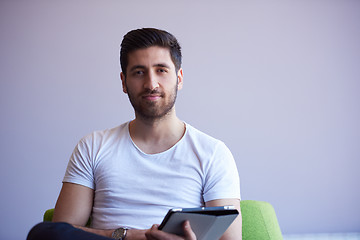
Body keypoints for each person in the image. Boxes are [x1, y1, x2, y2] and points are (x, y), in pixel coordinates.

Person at [27, 28, 242, 240]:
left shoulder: (213, 153)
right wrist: (127, 236)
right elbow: (62, 230)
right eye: (139, 72)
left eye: (161, 70)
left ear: (179, 78)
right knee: (43, 233)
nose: (151, 84)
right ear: (124, 82)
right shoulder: (92, 146)